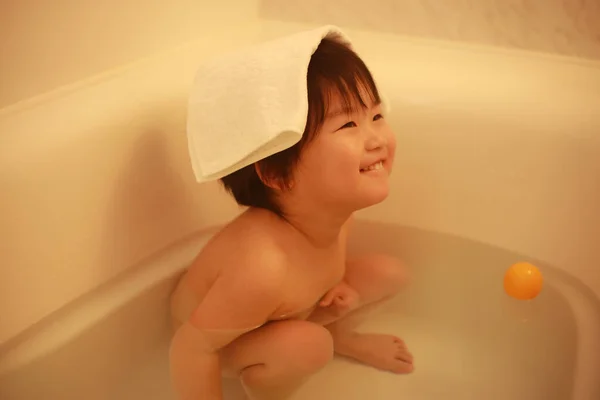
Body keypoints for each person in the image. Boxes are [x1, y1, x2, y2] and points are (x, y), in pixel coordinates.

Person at [169, 36, 413, 400]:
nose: (376, 138)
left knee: (389, 273)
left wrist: (332, 292)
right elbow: (190, 349)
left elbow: (316, 268)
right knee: (307, 345)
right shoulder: (262, 267)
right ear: (279, 174)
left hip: (288, 312)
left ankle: (340, 338)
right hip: (223, 342)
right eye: (348, 125)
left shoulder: (335, 212)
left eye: (376, 116)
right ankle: (270, 391)